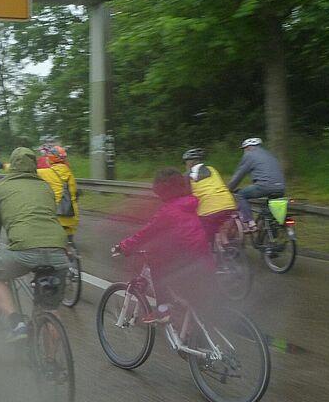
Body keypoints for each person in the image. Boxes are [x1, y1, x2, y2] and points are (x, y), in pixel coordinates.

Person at [0, 147, 71, 342]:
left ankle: (17, 323)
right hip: (58, 250)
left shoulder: (2, 188)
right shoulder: (45, 186)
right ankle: (51, 365)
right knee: (51, 309)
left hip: (24, 250)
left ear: (12, 165)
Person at [115, 168, 214, 324]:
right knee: (189, 301)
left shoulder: (168, 211)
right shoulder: (188, 205)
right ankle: (190, 333)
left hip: (188, 263)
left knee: (157, 267)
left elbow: (147, 233)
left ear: (162, 190)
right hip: (204, 259)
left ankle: (163, 310)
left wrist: (124, 246)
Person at [227, 138, 286, 232]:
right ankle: (272, 234)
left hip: (264, 186)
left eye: (244, 149)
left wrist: (229, 188)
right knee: (270, 214)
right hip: (280, 187)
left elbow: (239, 175)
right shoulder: (269, 155)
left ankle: (250, 222)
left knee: (241, 195)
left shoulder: (249, 155)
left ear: (248, 147)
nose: (244, 151)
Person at [182, 148, 237, 244]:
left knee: (206, 239)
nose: (185, 165)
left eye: (185, 162)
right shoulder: (212, 169)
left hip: (208, 210)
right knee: (223, 226)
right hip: (229, 204)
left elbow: (186, 196)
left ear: (191, 162)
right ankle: (226, 246)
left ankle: (209, 254)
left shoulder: (187, 176)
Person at [36, 145, 79, 241]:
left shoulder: (45, 173)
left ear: (50, 159)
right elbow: (74, 194)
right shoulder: (70, 174)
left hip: (56, 216)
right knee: (69, 241)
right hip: (71, 215)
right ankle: (73, 251)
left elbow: (27, 171)